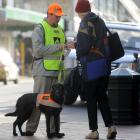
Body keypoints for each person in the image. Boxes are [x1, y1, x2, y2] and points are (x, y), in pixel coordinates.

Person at [25, 3, 73, 137]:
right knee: (39, 101)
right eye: (56, 16)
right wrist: (60, 47)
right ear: (49, 14)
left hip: (57, 72)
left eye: (60, 17)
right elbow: (38, 50)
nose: (58, 19)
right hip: (42, 71)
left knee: (54, 103)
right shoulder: (39, 29)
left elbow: (65, 50)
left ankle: (52, 131)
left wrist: (67, 48)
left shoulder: (61, 29)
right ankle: (30, 128)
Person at [74, 0, 117, 139]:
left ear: (79, 11)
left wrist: (77, 50)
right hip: (104, 64)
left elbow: (85, 47)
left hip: (92, 66)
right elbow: (97, 41)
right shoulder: (100, 21)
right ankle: (111, 126)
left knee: (91, 99)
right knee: (103, 97)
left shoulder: (85, 23)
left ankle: (94, 131)